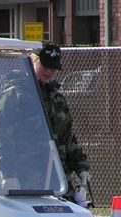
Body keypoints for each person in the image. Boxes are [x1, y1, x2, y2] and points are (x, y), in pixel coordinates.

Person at [32, 43, 92, 206]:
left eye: (53, 67)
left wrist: (81, 167)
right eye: (45, 65)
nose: (49, 71)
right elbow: (1, 141)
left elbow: (68, 139)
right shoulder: (16, 96)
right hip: (28, 181)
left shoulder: (57, 100)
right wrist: (10, 176)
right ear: (32, 61)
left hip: (58, 181)